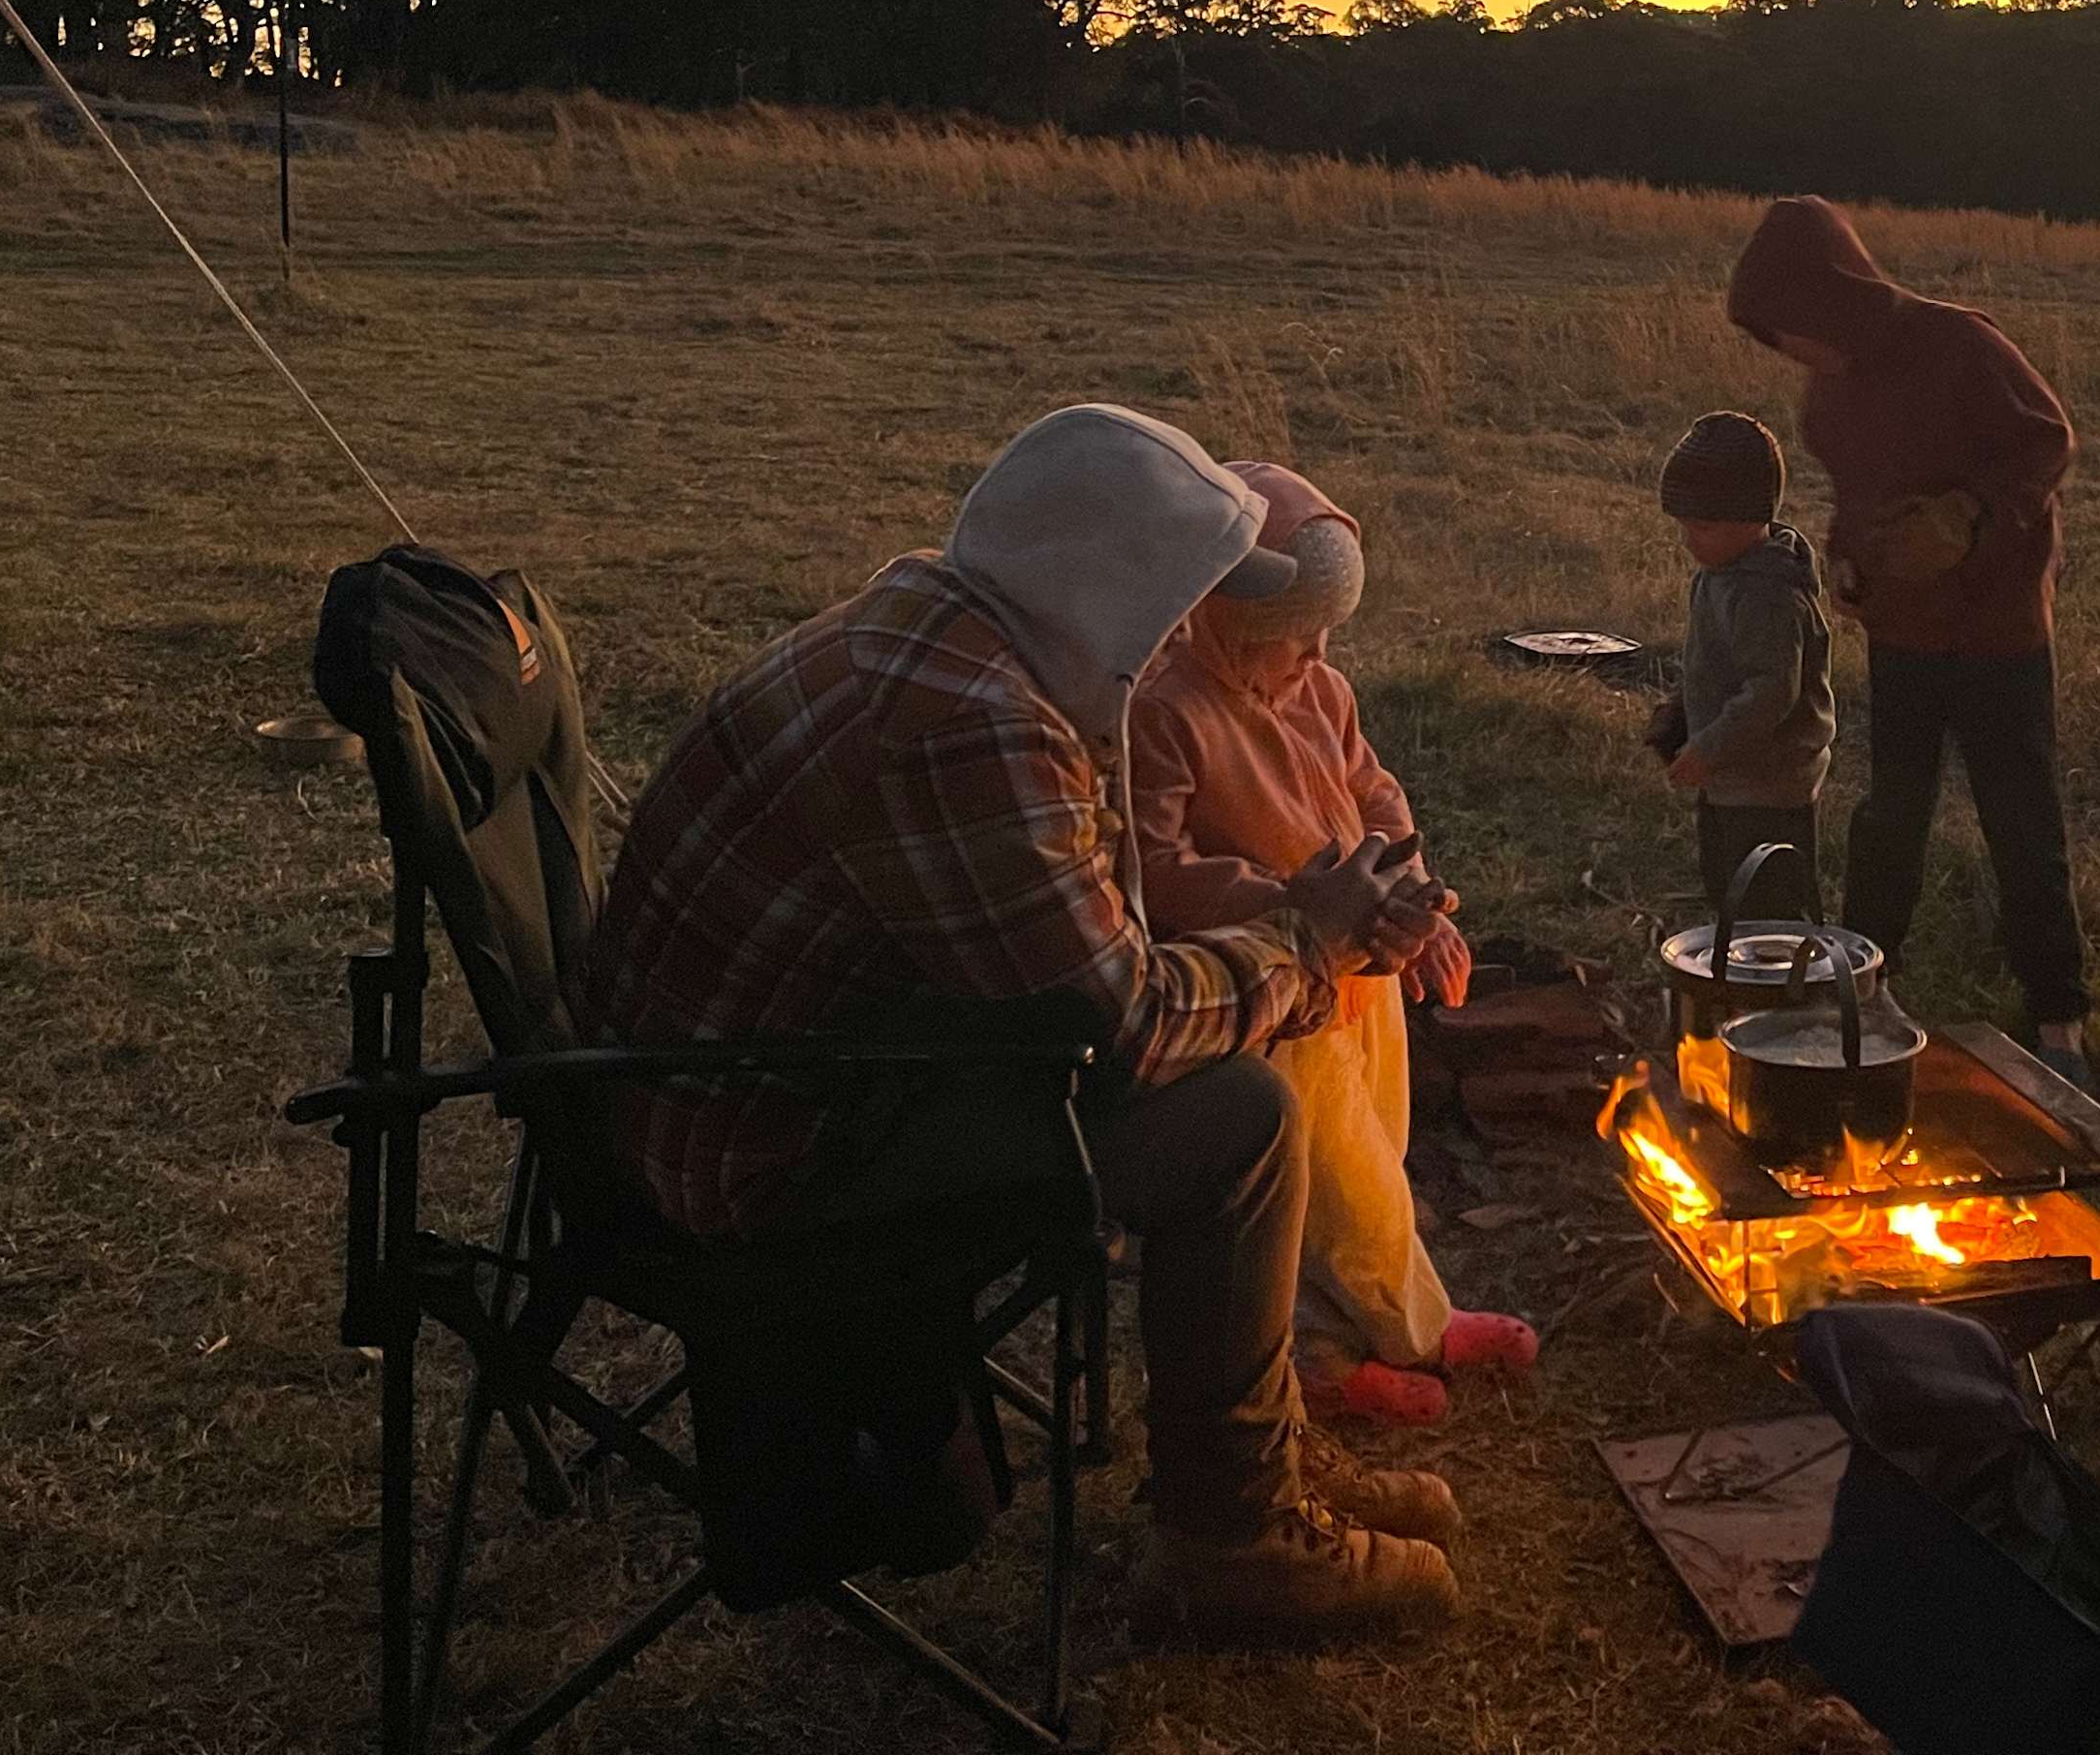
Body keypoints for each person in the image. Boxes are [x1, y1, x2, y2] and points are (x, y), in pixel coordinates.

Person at [584, 405, 1462, 1643]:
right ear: (1115, 599)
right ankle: (1237, 1533)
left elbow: (1091, 931)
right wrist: (1310, 945)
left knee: (1228, 1066)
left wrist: (1270, 934)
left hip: (774, 1073)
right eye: (1181, 604)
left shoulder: (936, 619)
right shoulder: (970, 721)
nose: (1187, 641)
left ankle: (1260, 1456)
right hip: (775, 1156)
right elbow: (1129, 1021)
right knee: (1238, 1116)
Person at [1127, 462, 1540, 1428]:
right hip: (1263, 984)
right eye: (1290, 635)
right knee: (1334, 1177)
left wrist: (1412, 894)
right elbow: (1150, 867)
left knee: (1374, 1146)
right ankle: (1411, 1333)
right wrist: (1288, 900)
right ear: (1219, 614)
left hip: (1361, 963)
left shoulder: (1319, 687)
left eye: (1325, 634)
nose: (1313, 654)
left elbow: (1374, 791)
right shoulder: (1165, 709)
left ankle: (1322, 1347)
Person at [1722, 199, 2092, 1080]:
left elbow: (2047, 442)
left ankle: (2061, 1021)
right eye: (1775, 339)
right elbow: (1855, 497)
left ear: (1836, 297)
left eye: (1794, 330)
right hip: (1906, 633)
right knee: (1891, 812)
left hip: (1998, 631)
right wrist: (1851, 567)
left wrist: (1971, 514)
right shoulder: (1834, 395)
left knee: (2022, 821)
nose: (1792, 354)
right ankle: (1865, 980)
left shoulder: (1960, 346)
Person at [1652, 410, 1838, 910]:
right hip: (1732, 779)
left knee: (1769, 901)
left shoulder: (1767, 595)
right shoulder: (1718, 575)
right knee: (1728, 888)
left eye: (1705, 526)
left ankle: (1785, 982)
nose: (1689, 539)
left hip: (1770, 784)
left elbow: (1772, 691)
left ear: (1753, 518)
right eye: (1683, 525)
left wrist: (1710, 747)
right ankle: (1735, 975)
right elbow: (1720, 667)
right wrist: (1684, 713)